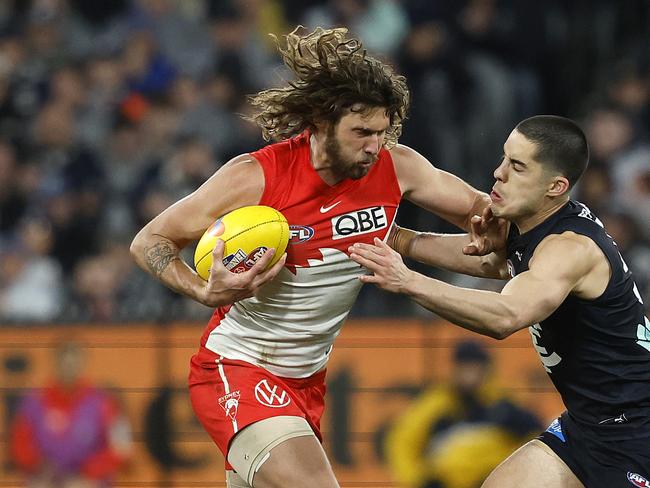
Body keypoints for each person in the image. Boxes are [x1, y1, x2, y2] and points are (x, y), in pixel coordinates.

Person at [130, 26, 494, 488]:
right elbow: (150, 242)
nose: (373, 146)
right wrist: (202, 289)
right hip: (238, 367)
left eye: (381, 132)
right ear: (321, 121)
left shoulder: (396, 167)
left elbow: (482, 216)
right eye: (361, 132)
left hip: (307, 383)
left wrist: (527, 231)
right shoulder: (257, 176)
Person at [349, 115, 650, 488]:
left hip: (637, 435)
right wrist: (396, 238)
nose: (498, 172)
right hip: (587, 427)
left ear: (555, 186)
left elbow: (506, 315)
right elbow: (493, 262)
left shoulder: (568, 249)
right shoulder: (536, 227)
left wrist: (408, 280)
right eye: (505, 158)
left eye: (518, 167)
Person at [385, 339, 541, 488]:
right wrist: (420, 480)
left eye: (475, 367)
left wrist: (512, 475)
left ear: (486, 369)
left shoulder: (504, 405)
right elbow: (401, 443)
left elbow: (534, 439)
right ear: (455, 369)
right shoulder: (436, 405)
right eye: (465, 367)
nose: (470, 374)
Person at [9, 341, 132, 488]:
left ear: (83, 363)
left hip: (88, 479)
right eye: (64, 363)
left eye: (74, 363)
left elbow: (121, 447)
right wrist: (37, 464)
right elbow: (19, 444)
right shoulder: (35, 401)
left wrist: (89, 471)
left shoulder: (103, 401)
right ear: (55, 363)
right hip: (46, 476)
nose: (69, 369)